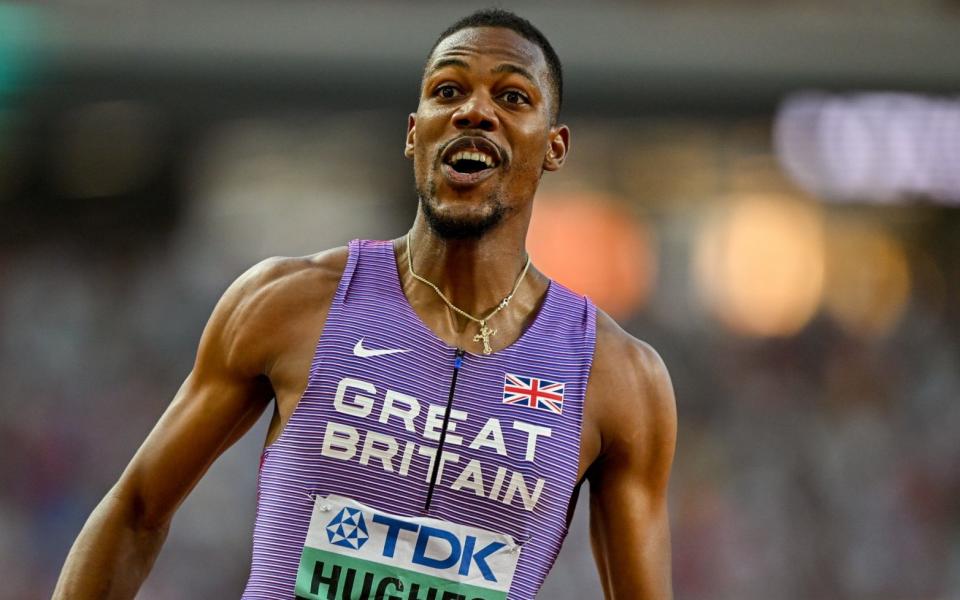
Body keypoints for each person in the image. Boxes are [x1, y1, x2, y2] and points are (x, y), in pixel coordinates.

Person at [53, 8, 677, 599]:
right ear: (415, 133)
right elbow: (135, 512)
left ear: (554, 147)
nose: (474, 112)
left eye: (513, 97)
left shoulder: (618, 378)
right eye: (448, 91)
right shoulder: (289, 302)